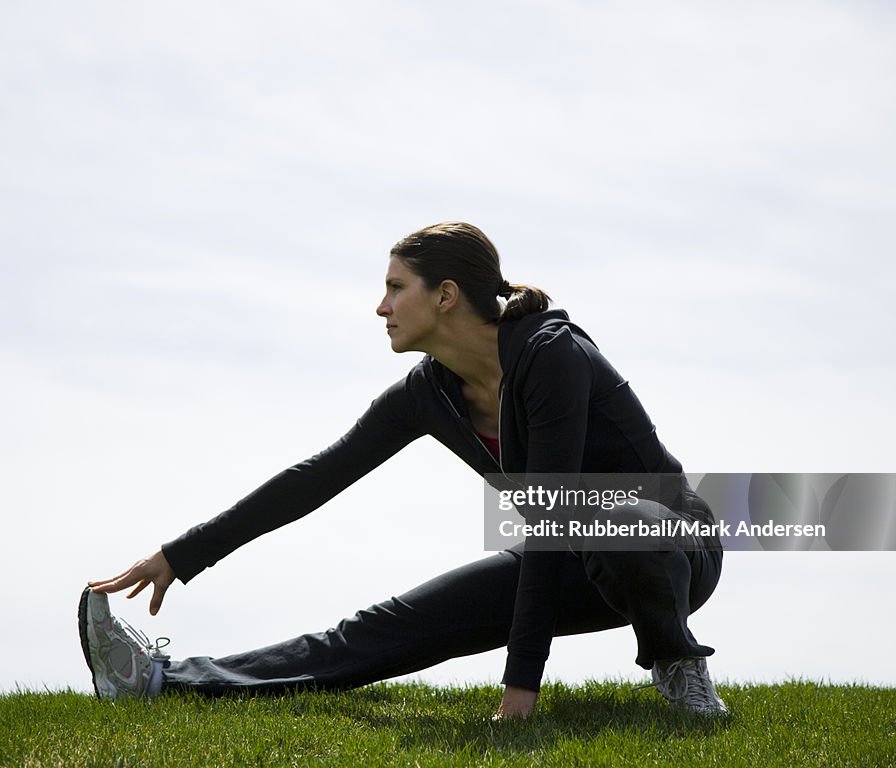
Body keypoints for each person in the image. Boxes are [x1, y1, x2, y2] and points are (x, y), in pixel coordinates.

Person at [78, 222, 727, 718]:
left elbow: (557, 514)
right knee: (381, 630)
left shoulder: (550, 356)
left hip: (670, 546)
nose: (381, 307)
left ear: (445, 296)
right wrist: (181, 555)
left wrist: (520, 687)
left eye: (395, 288)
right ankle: (159, 680)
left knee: (614, 521)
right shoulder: (428, 395)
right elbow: (314, 479)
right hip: (564, 558)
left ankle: (678, 664)